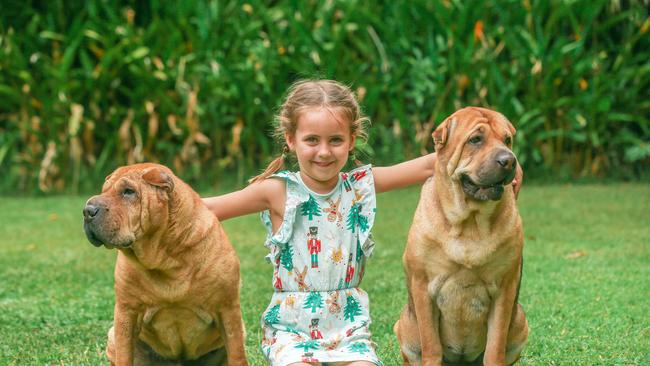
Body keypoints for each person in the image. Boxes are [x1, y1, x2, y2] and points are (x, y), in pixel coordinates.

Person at [203, 80, 519, 366]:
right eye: (312, 139)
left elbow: (435, 163)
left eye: (336, 140)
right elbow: (208, 208)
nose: (324, 151)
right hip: (292, 328)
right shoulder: (277, 191)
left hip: (348, 325)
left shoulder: (360, 184)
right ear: (290, 139)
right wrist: (162, 193)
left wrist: (506, 168)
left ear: (352, 140)